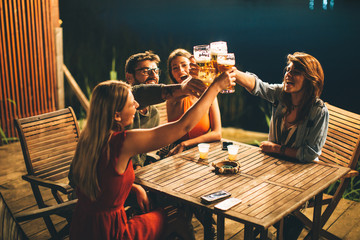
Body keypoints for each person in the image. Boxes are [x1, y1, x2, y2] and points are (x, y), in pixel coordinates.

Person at [69, 70, 236, 239]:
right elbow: (182, 127)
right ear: (117, 116)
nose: (136, 105)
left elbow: (103, 181)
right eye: (131, 103)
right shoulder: (123, 142)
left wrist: (133, 187)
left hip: (82, 227)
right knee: (175, 215)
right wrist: (215, 87)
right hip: (111, 232)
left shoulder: (89, 139)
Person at [232, 52, 328, 239]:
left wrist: (276, 149)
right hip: (275, 168)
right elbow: (258, 87)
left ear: (310, 80)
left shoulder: (318, 111)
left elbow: (310, 154)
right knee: (240, 188)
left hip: (301, 175)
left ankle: (285, 227)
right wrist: (233, 73)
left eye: (296, 72)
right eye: (288, 70)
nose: (288, 75)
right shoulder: (281, 96)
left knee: (258, 201)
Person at [125, 51, 207, 169]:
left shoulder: (153, 114)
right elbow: (145, 92)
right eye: (145, 71)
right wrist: (185, 88)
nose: (153, 76)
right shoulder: (124, 100)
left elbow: (143, 151)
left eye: (156, 71)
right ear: (129, 77)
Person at [159, 48, 222, 157]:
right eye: (175, 68)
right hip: (175, 149)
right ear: (172, 74)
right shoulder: (173, 97)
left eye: (184, 65)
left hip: (201, 147)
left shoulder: (209, 94)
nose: (180, 70)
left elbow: (217, 133)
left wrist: (186, 144)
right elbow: (186, 88)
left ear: (192, 66)